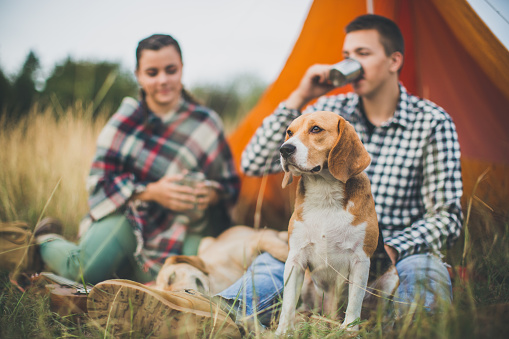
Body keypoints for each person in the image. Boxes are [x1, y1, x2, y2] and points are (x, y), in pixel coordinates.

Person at [87, 14, 463, 336]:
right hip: (322, 245)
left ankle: (418, 329)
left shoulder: (432, 122)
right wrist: (300, 95)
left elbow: (449, 216)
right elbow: (252, 161)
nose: (352, 63)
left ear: (395, 60)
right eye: (347, 55)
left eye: (362, 54)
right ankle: (209, 318)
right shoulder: (326, 109)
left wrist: (390, 248)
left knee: (426, 269)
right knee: (273, 262)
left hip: (398, 250)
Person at [34, 34, 240, 284]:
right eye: (152, 73)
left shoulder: (206, 123)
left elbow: (229, 184)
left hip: (184, 225)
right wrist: (152, 192)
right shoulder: (125, 121)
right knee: (81, 272)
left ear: (182, 70)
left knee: (190, 279)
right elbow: (100, 181)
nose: (163, 80)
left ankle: (128, 269)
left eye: (170, 70)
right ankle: (44, 240)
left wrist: (212, 194)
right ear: (139, 75)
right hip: (129, 216)